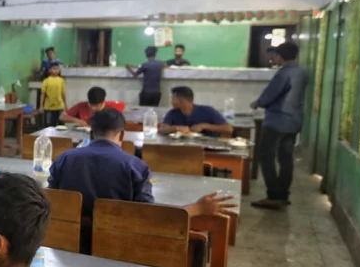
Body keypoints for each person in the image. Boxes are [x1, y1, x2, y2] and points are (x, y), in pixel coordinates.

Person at [49, 109, 237, 249]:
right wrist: (198, 208)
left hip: (67, 246)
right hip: (119, 251)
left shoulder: (64, 159)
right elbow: (148, 218)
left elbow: (53, 204)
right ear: (122, 134)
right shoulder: (135, 167)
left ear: (91, 134)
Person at [250, 41, 308, 210]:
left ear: (280, 56)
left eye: (275, 55)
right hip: (294, 121)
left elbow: (271, 94)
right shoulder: (302, 72)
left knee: (265, 155)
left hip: (277, 121)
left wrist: (258, 102)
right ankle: (283, 194)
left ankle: (273, 195)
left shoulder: (283, 74)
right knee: (285, 157)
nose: (273, 57)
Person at [160, 86, 232, 138]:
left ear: (181, 100)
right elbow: (162, 129)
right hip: (182, 149)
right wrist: (176, 128)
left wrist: (204, 126)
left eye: (173, 99)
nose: (171, 102)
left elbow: (228, 129)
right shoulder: (172, 113)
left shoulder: (208, 111)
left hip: (207, 149)